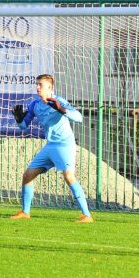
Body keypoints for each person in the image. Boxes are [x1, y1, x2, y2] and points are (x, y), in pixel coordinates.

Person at [10, 74, 92, 222]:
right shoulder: (35, 104)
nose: (38, 87)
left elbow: (79, 117)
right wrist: (19, 119)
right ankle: (25, 212)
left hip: (64, 145)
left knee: (68, 176)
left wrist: (62, 110)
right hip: (50, 146)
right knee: (27, 175)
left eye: (41, 85)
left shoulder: (58, 101)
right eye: (37, 84)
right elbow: (23, 126)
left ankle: (87, 215)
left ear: (50, 88)